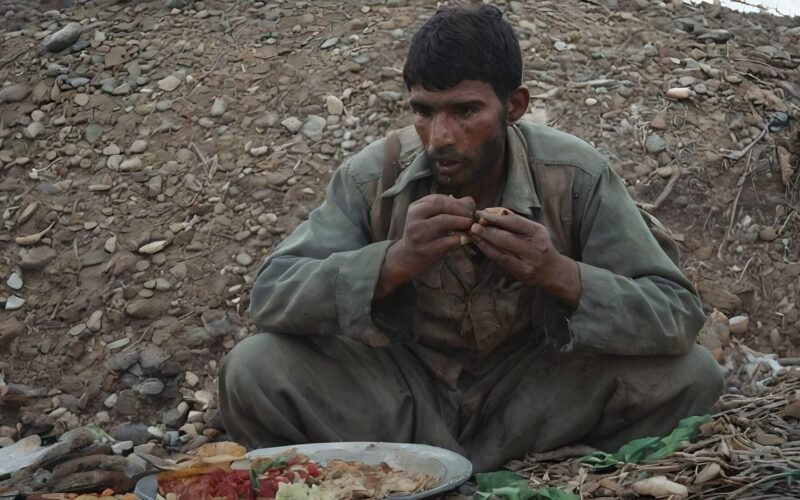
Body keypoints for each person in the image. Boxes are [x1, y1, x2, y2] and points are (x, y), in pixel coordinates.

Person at [219, 4, 724, 473]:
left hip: (534, 401)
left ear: (514, 106)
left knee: (693, 375)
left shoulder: (574, 175)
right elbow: (271, 295)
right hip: (399, 399)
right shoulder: (371, 178)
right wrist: (392, 262)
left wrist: (561, 274)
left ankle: (551, 476)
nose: (440, 136)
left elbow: (676, 313)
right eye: (423, 110)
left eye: (465, 112)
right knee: (253, 368)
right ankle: (376, 477)